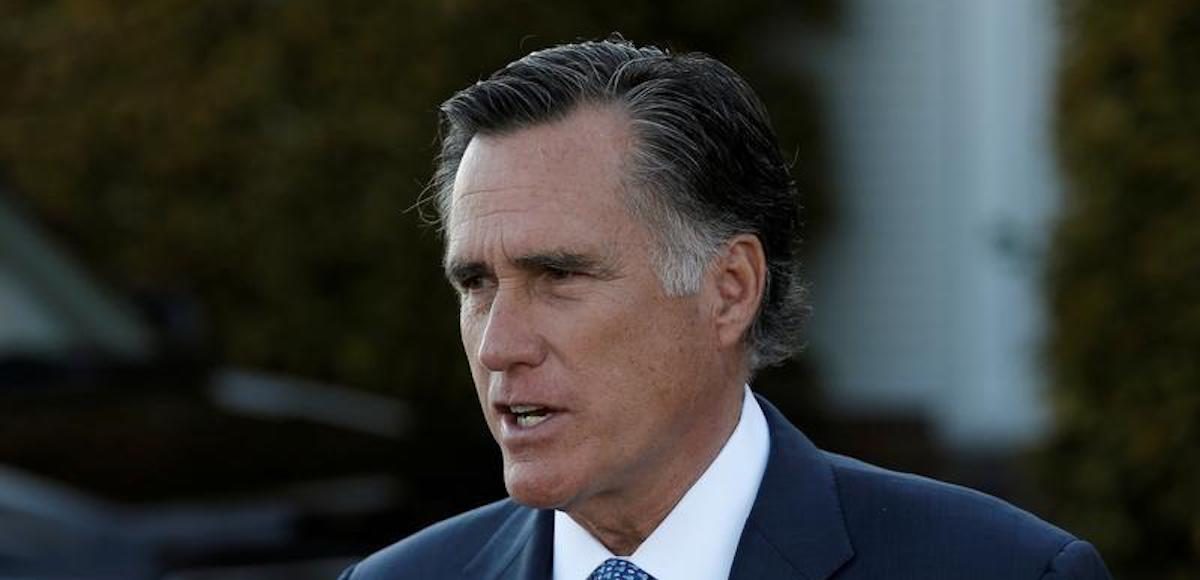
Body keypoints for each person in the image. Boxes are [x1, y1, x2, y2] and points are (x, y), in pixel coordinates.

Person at [339, 37, 1111, 580]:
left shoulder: (1000, 569)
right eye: (475, 284)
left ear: (729, 288)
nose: (500, 344)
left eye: (559, 275)